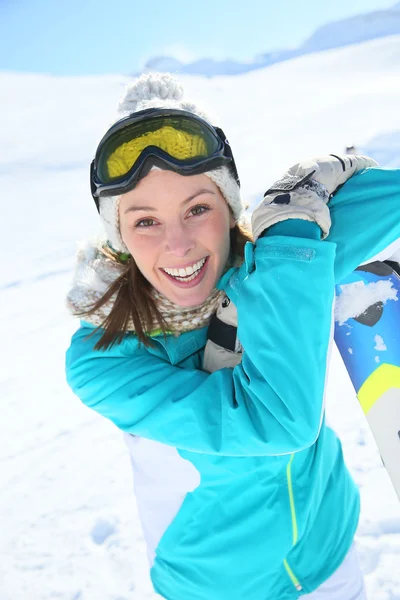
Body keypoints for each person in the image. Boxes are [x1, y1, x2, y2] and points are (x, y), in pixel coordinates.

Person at [66, 72, 400, 600]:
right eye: (145, 221)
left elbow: (376, 215)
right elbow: (279, 421)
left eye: (197, 209)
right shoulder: (105, 360)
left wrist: (317, 198)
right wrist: (293, 242)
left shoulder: (266, 264)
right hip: (217, 584)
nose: (177, 245)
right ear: (121, 237)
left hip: (325, 542)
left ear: (229, 210)